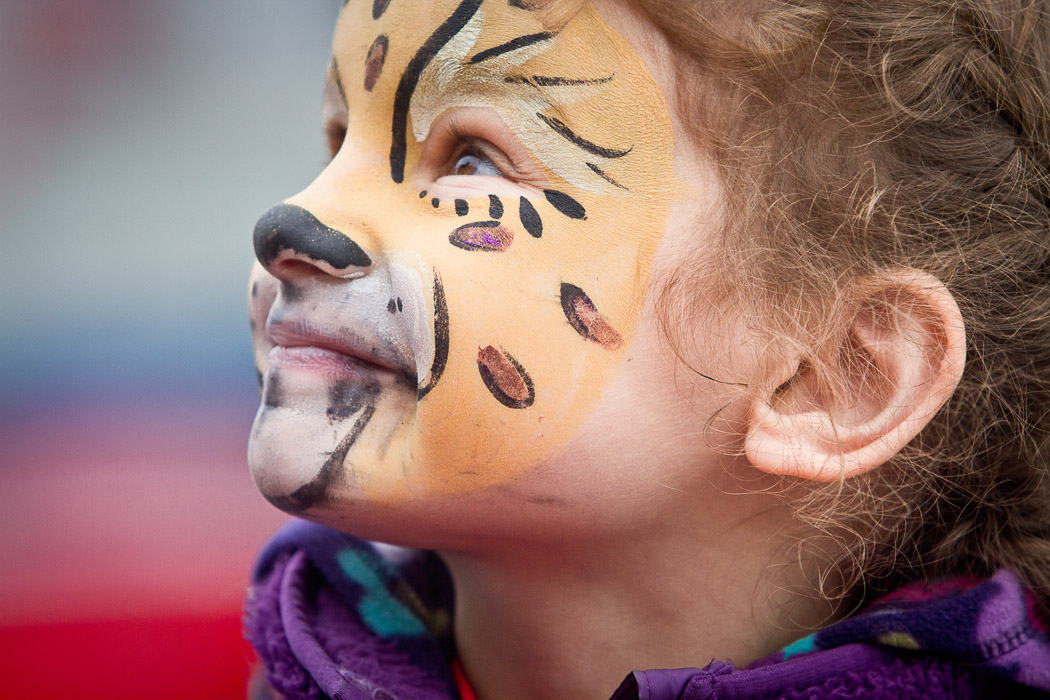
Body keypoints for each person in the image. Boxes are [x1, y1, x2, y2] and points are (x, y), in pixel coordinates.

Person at [242, 0, 1050, 698]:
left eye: (472, 158)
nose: (292, 221)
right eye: (339, 137)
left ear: (832, 377)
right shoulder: (296, 658)